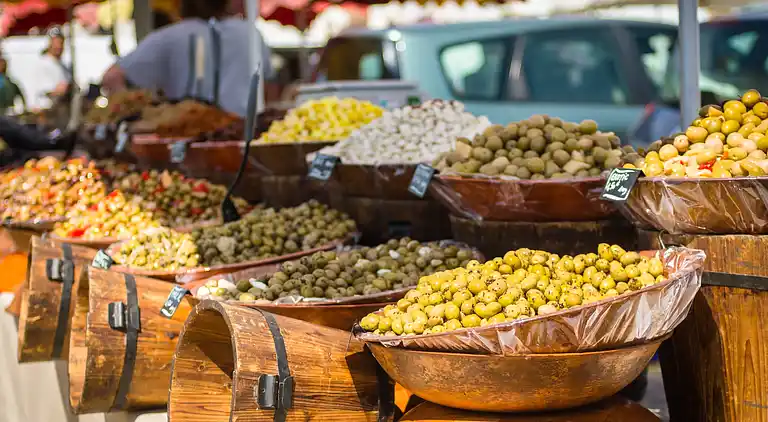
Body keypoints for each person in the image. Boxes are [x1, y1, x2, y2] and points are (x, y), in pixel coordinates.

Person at [101, 0, 272, 118]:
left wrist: (132, 112)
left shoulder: (171, 36)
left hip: (187, 134)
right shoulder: (250, 33)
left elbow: (111, 78)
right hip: (242, 133)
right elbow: (268, 86)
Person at [32, 28, 72, 111]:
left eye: (61, 43)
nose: (59, 46)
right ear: (50, 43)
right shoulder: (43, 63)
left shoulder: (63, 65)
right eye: (56, 43)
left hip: (60, 110)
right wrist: (64, 88)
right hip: (47, 110)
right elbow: (49, 90)